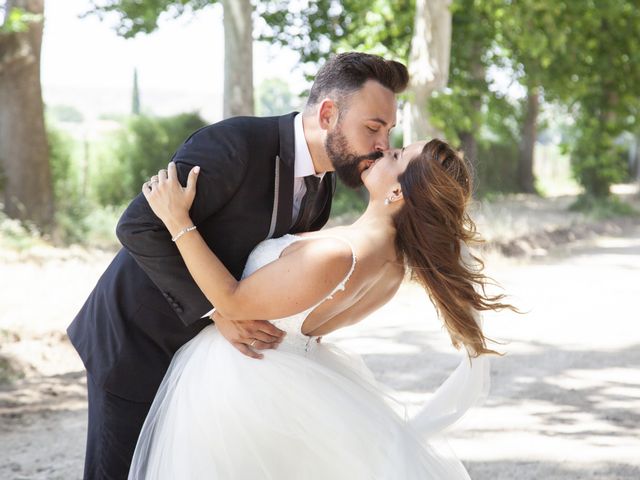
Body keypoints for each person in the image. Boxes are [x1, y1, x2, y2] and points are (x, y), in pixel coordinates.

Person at [67, 52, 409, 478]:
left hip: (206, 367)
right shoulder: (235, 145)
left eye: (389, 131)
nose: (382, 145)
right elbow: (137, 225)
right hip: (138, 339)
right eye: (373, 128)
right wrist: (218, 313)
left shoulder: (322, 189)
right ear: (327, 114)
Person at [128, 139, 512, 479]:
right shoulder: (393, 270)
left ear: (397, 192)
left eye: (395, 155)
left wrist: (177, 220)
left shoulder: (338, 254)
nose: (382, 149)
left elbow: (231, 300)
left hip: (242, 379)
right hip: (289, 377)